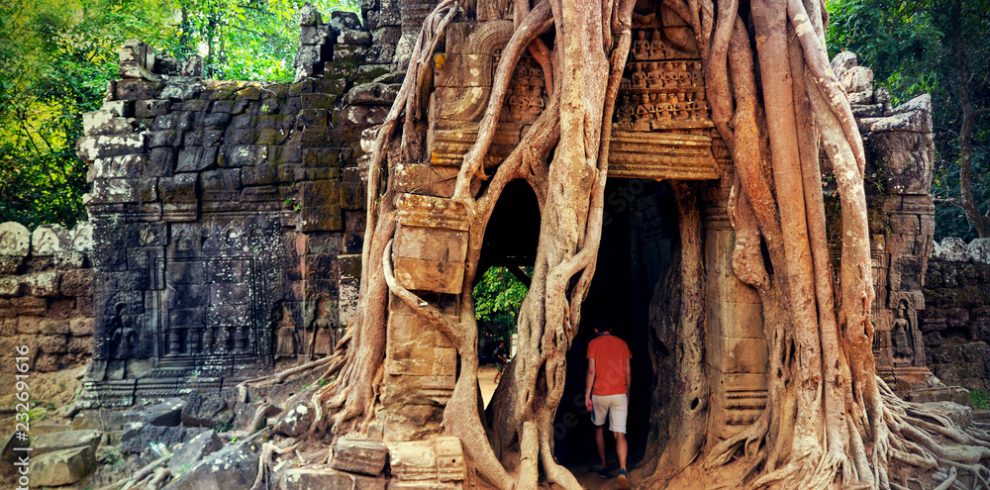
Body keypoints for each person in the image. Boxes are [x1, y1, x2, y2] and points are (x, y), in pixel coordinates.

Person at [585, 326, 632, 488]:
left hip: (599, 394)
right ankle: (623, 469)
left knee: (599, 428)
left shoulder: (593, 344)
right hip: (619, 393)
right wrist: (627, 392)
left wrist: (587, 395)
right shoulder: (622, 344)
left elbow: (591, 371)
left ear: (596, 329)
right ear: (611, 328)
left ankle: (603, 465)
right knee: (619, 434)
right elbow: (628, 371)